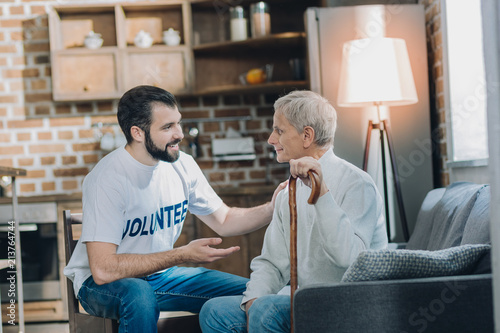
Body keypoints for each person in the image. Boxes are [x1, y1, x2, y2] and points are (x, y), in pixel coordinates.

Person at [63, 85, 286, 333]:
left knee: (257, 291)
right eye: (167, 127)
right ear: (138, 132)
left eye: (178, 123)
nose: (179, 133)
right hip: (101, 286)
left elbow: (224, 219)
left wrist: (272, 208)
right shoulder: (107, 179)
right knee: (138, 294)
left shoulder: (183, 165)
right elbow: (103, 270)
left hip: (161, 275)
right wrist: (182, 254)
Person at [199, 90, 388, 333]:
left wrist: (321, 193)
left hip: (349, 301)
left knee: (267, 311)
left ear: (307, 135)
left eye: (279, 130)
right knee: (215, 311)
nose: (270, 139)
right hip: (304, 299)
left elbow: (349, 259)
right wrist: (254, 300)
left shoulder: (357, 184)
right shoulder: (288, 189)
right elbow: (272, 263)